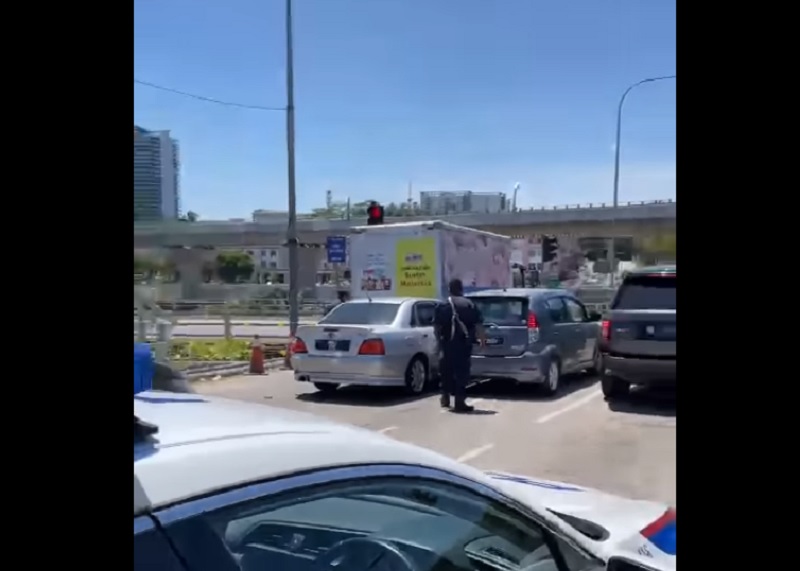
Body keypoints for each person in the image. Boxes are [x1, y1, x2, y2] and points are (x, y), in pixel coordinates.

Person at [434, 278, 485, 413]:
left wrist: (439, 343)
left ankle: (445, 397)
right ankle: (459, 402)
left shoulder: (442, 305)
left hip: (446, 344)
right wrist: (483, 341)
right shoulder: (468, 304)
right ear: (461, 289)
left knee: (446, 372)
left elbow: (436, 327)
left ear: (449, 289)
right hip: (463, 345)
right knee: (461, 374)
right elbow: (478, 325)